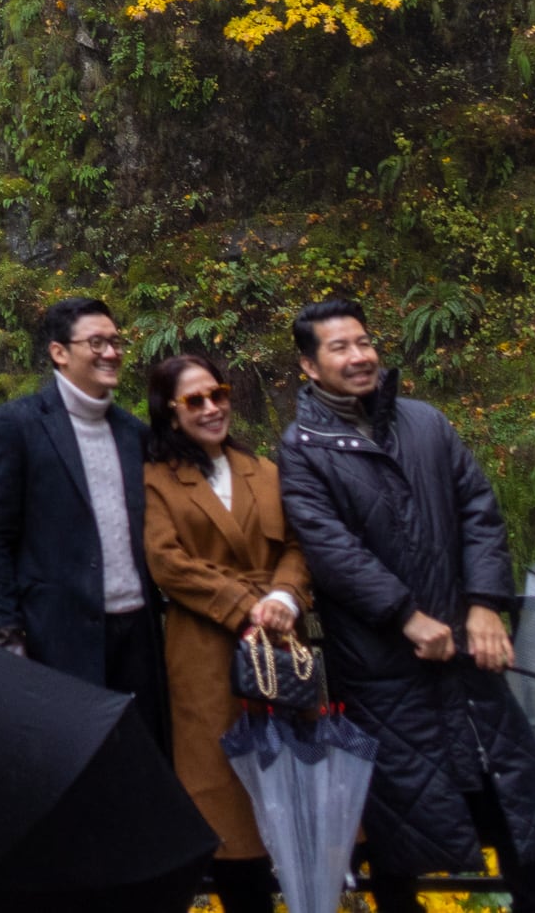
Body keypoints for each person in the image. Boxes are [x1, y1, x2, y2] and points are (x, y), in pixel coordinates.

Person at [274, 299, 535, 913]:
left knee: (518, 811)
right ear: (309, 365)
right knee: (398, 837)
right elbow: (330, 549)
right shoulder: (302, 449)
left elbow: (478, 513)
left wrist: (485, 605)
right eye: (340, 348)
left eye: (363, 342)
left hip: (465, 658)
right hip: (385, 671)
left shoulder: (425, 422)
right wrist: (405, 615)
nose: (359, 356)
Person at [140, 351, 312, 913]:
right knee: (222, 787)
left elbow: (296, 546)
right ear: (170, 412)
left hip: (281, 641)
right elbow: (166, 563)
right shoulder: (157, 481)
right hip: (204, 650)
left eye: (219, 394)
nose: (212, 408)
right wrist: (244, 603)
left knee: (293, 773)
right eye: (196, 400)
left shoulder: (264, 472)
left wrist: (285, 596)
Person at [0, 297, 167, 718]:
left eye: (115, 342)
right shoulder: (18, 425)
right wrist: (7, 631)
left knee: (140, 765)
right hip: (59, 639)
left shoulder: (132, 433)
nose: (112, 353)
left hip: (139, 634)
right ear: (59, 353)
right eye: (96, 343)